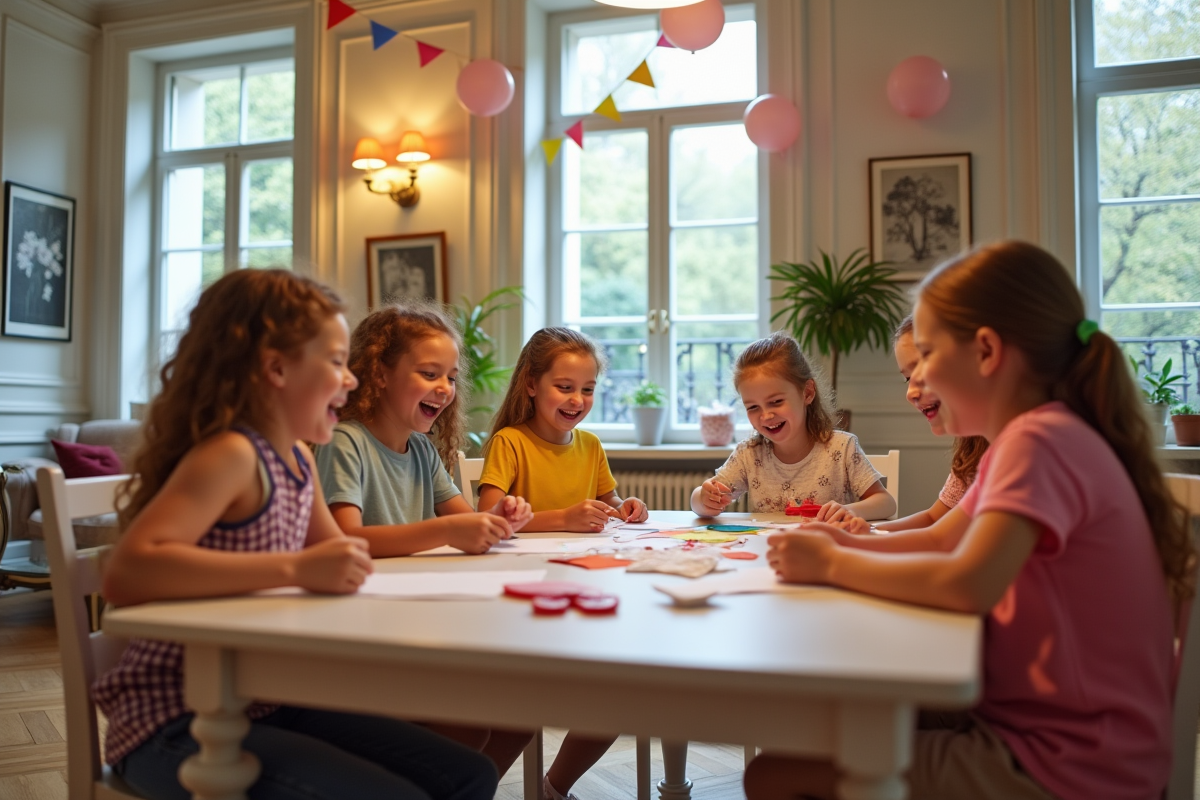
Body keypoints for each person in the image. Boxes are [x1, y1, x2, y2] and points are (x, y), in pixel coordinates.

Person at [751, 240, 1191, 800]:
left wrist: (832, 564)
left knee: (772, 775)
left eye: (928, 354)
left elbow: (967, 583)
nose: (920, 379)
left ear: (985, 352)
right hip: (1047, 727)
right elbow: (941, 538)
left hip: (1069, 763)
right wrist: (843, 544)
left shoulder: (1039, 442)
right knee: (827, 721)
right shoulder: (1026, 439)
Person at [95, 269, 498, 800]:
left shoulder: (297, 462)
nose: (351, 380)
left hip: (268, 698)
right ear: (276, 369)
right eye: (335, 363)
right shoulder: (233, 454)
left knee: (472, 774)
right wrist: (295, 568)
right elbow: (126, 573)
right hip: (179, 719)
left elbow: (340, 552)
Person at [313, 301, 534, 775]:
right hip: (364, 631)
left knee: (523, 713)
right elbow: (345, 539)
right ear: (379, 374)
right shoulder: (345, 442)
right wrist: (448, 530)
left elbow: (466, 521)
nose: (445, 388)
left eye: (451, 377)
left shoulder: (421, 449)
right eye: (430, 374)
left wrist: (500, 519)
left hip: (417, 617)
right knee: (470, 725)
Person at [476, 326, 647, 800]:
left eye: (588, 389)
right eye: (565, 387)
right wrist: (563, 518)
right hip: (521, 599)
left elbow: (609, 503)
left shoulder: (590, 445)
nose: (577, 399)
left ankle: (554, 788)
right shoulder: (511, 441)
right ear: (532, 384)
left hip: (585, 587)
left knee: (624, 688)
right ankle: (471, 789)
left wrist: (628, 507)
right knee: (523, 707)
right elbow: (487, 516)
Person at [691, 331, 895, 524]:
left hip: (827, 547)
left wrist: (850, 510)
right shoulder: (749, 454)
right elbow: (699, 502)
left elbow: (886, 503)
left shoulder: (842, 448)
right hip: (770, 548)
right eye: (753, 407)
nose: (766, 415)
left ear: (807, 393)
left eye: (776, 402)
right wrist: (703, 499)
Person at [840, 316, 988, 534]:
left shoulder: (1019, 447)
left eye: (922, 370)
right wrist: (869, 532)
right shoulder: (974, 449)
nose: (910, 393)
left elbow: (944, 539)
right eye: (908, 378)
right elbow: (935, 519)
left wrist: (863, 538)